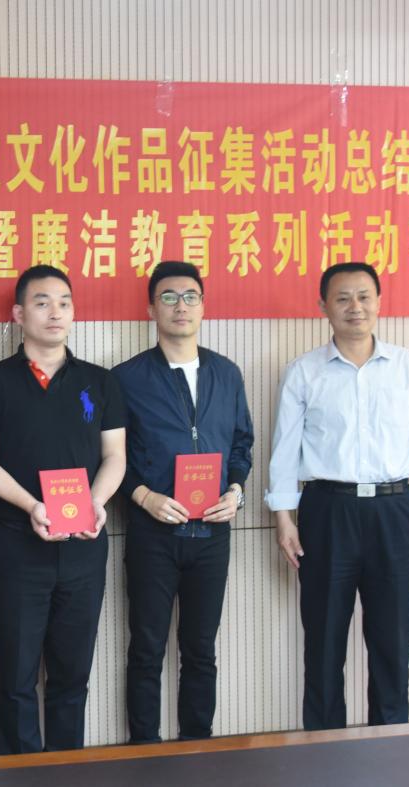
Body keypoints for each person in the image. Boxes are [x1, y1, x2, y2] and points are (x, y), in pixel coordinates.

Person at [266, 261, 409, 731]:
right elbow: (285, 448)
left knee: (392, 638)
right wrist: (284, 517)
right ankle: (324, 745)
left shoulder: (406, 365)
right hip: (328, 510)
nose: (355, 307)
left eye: (364, 296)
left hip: (394, 509)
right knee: (324, 638)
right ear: (323, 306)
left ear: (379, 302)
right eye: (343, 298)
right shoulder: (304, 371)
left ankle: (389, 742)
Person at [0, 265, 126, 754]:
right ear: (18, 314)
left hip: (84, 548)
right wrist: (33, 506)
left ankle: (67, 772)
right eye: (41, 303)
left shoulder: (100, 382)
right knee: (16, 678)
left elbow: (115, 456)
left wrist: (95, 503)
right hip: (19, 546)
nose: (55, 312)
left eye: (64, 303)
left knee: (72, 677)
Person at [113, 261, 253, 742]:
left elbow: (241, 444)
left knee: (201, 649)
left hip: (212, 534)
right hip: (153, 534)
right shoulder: (127, 378)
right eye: (169, 297)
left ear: (203, 306)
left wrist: (236, 492)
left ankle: (199, 745)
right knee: (146, 648)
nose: (181, 306)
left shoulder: (227, 374)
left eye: (190, 296)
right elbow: (111, 455)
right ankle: (144, 749)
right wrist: (144, 496)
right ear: (151, 309)